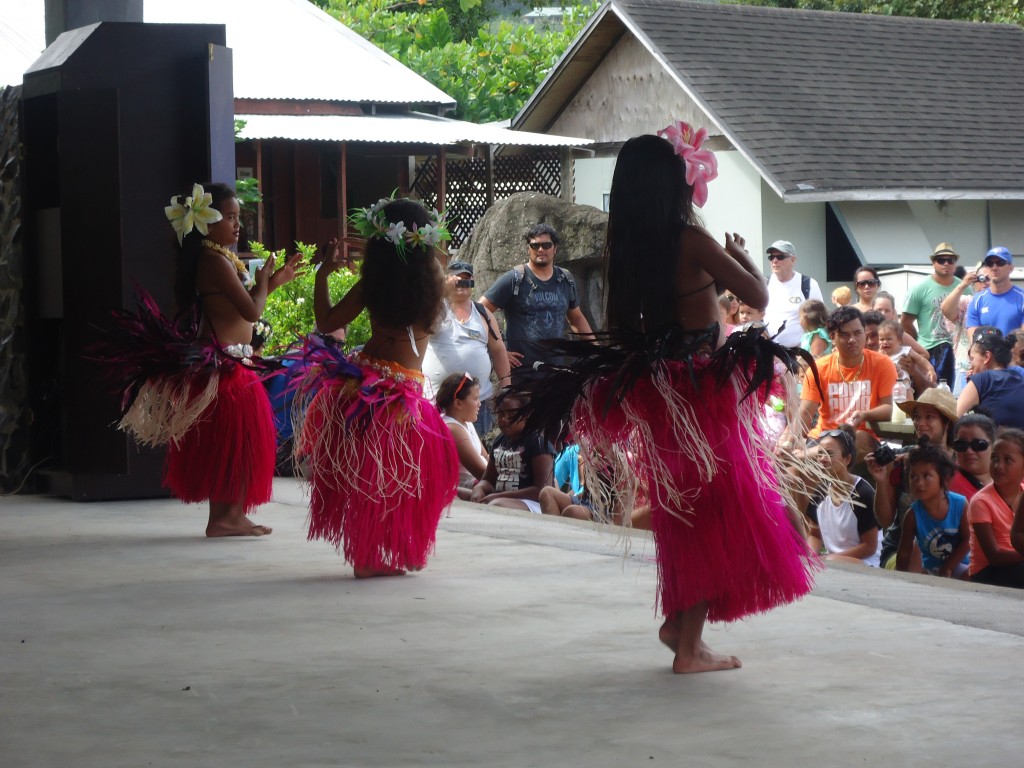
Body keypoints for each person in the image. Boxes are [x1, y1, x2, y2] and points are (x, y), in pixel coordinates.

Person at [512, 124, 819, 674]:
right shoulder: (691, 241)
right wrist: (742, 258)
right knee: (713, 509)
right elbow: (756, 296)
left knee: (686, 506)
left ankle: (683, 626)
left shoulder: (625, 251)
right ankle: (686, 645)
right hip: (701, 394)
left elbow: (625, 328)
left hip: (658, 394)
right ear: (673, 183)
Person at [102, 182, 302, 537]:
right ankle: (223, 518)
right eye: (229, 216)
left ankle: (232, 515)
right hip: (225, 368)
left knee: (239, 444)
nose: (237, 224)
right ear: (207, 223)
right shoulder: (214, 262)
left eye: (238, 216)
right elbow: (252, 312)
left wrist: (275, 282)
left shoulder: (220, 259)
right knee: (231, 445)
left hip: (235, 363)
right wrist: (265, 279)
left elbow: (240, 305)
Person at [295, 196, 459, 578]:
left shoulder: (375, 284)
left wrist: (323, 273)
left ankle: (386, 550)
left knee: (377, 476)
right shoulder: (433, 282)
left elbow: (326, 321)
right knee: (411, 475)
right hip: (391, 392)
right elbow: (439, 261)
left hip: (367, 384)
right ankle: (375, 557)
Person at [867, 399, 991, 570]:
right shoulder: (901, 460)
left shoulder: (962, 457)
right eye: (917, 417)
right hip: (901, 550)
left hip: (956, 556)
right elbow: (885, 521)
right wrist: (881, 482)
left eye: (929, 417)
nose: (920, 423)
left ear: (946, 422)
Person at [480, 224, 594, 379]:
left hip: (556, 372)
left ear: (555, 249)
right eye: (535, 245)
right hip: (521, 373)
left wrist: (595, 350)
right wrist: (499, 351)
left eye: (546, 245)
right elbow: (480, 311)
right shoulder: (514, 279)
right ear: (529, 249)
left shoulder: (565, 279)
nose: (541, 249)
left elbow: (576, 317)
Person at [423, 260, 510, 438]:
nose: (461, 283)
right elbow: (418, 321)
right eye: (457, 278)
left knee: (477, 452)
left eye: (466, 279)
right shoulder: (434, 309)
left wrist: (507, 389)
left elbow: (499, 351)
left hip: (477, 404)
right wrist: (442, 289)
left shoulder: (484, 314)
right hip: (437, 403)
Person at [797, 306, 897, 457]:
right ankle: (807, 455)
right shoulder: (818, 368)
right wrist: (789, 436)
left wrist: (864, 415)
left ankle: (806, 455)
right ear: (832, 337)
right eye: (844, 335)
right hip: (823, 436)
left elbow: (888, 409)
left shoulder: (882, 363)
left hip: (861, 438)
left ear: (864, 332)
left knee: (860, 437)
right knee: (787, 464)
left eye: (858, 333)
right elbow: (805, 413)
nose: (852, 340)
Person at [798, 426, 879, 566]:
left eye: (829, 454)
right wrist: (811, 558)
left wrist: (830, 559)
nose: (823, 459)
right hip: (832, 561)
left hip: (865, 563)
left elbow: (870, 547)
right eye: (820, 454)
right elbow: (814, 535)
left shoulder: (863, 494)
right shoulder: (820, 493)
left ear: (847, 459)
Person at [469, 391, 555, 512]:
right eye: (500, 414)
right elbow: (488, 479)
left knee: (496, 505)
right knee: (452, 494)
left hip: (531, 503)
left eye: (512, 414)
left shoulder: (538, 443)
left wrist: (498, 496)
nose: (504, 419)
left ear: (527, 414)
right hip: (498, 498)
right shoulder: (499, 441)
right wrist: (480, 488)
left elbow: (541, 490)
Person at [896, 444, 971, 578]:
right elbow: (904, 553)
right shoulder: (913, 515)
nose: (919, 483)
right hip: (931, 570)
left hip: (962, 566)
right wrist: (898, 579)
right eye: (913, 476)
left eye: (927, 476)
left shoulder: (960, 504)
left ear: (943, 478)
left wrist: (948, 567)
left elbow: (968, 540)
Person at [968, 428, 1024, 588]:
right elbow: (994, 556)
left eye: (1008, 460)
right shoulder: (981, 501)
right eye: (994, 458)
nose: (998, 465)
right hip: (987, 572)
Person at [902, 243, 963, 387]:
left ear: (955, 263)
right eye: (941, 260)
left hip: (957, 351)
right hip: (929, 349)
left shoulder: (963, 288)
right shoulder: (919, 288)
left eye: (950, 260)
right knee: (929, 394)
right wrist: (917, 344)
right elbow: (905, 322)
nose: (946, 263)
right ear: (933, 263)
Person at [956, 327, 1024, 428]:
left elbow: (954, 418)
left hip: (993, 442)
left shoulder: (982, 380)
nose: (970, 365)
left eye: (972, 359)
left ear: (987, 357)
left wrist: (973, 384)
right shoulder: (1018, 378)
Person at [436, 372, 489, 500]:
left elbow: (485, 456)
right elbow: (481, 472)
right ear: (458, 403)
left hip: (478, 480)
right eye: (475, 399)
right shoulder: (452, 428)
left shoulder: (466, 422)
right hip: (463, 486)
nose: (479, 404)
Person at [940, 263, 991, 395]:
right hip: (964, 369)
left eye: (989, 279)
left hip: (994, 370)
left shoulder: (1003, 305)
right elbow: (946, 309)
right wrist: (963, 284)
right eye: (980, 279)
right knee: (962, 412)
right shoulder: (967, 302)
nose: (985, 282)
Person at [764, 239, 823, 347]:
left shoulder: (808, 284)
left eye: (780, 257)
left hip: (799, 355)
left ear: (793, 260)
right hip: (769, 353)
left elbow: (819, 322)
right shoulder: (764, 284)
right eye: (771, 257)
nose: (774, 260)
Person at [965, 246, 1023, 338]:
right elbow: (974, 342)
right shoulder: (977, 301)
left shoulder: (1022, 298)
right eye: (990, 263)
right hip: (987, 352)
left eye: (1000, 263)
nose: (994, 267)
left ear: (1011, 268)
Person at [877, 319, 936, 401]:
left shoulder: (905, 350)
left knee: (908, 398)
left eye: (889, 339)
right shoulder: (880, 355)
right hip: (886, 386)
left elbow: (921, 359)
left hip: (904, 384)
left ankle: (908, 411)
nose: (885, 342)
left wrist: (930, 369)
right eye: (882, 339)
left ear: (900, 340)